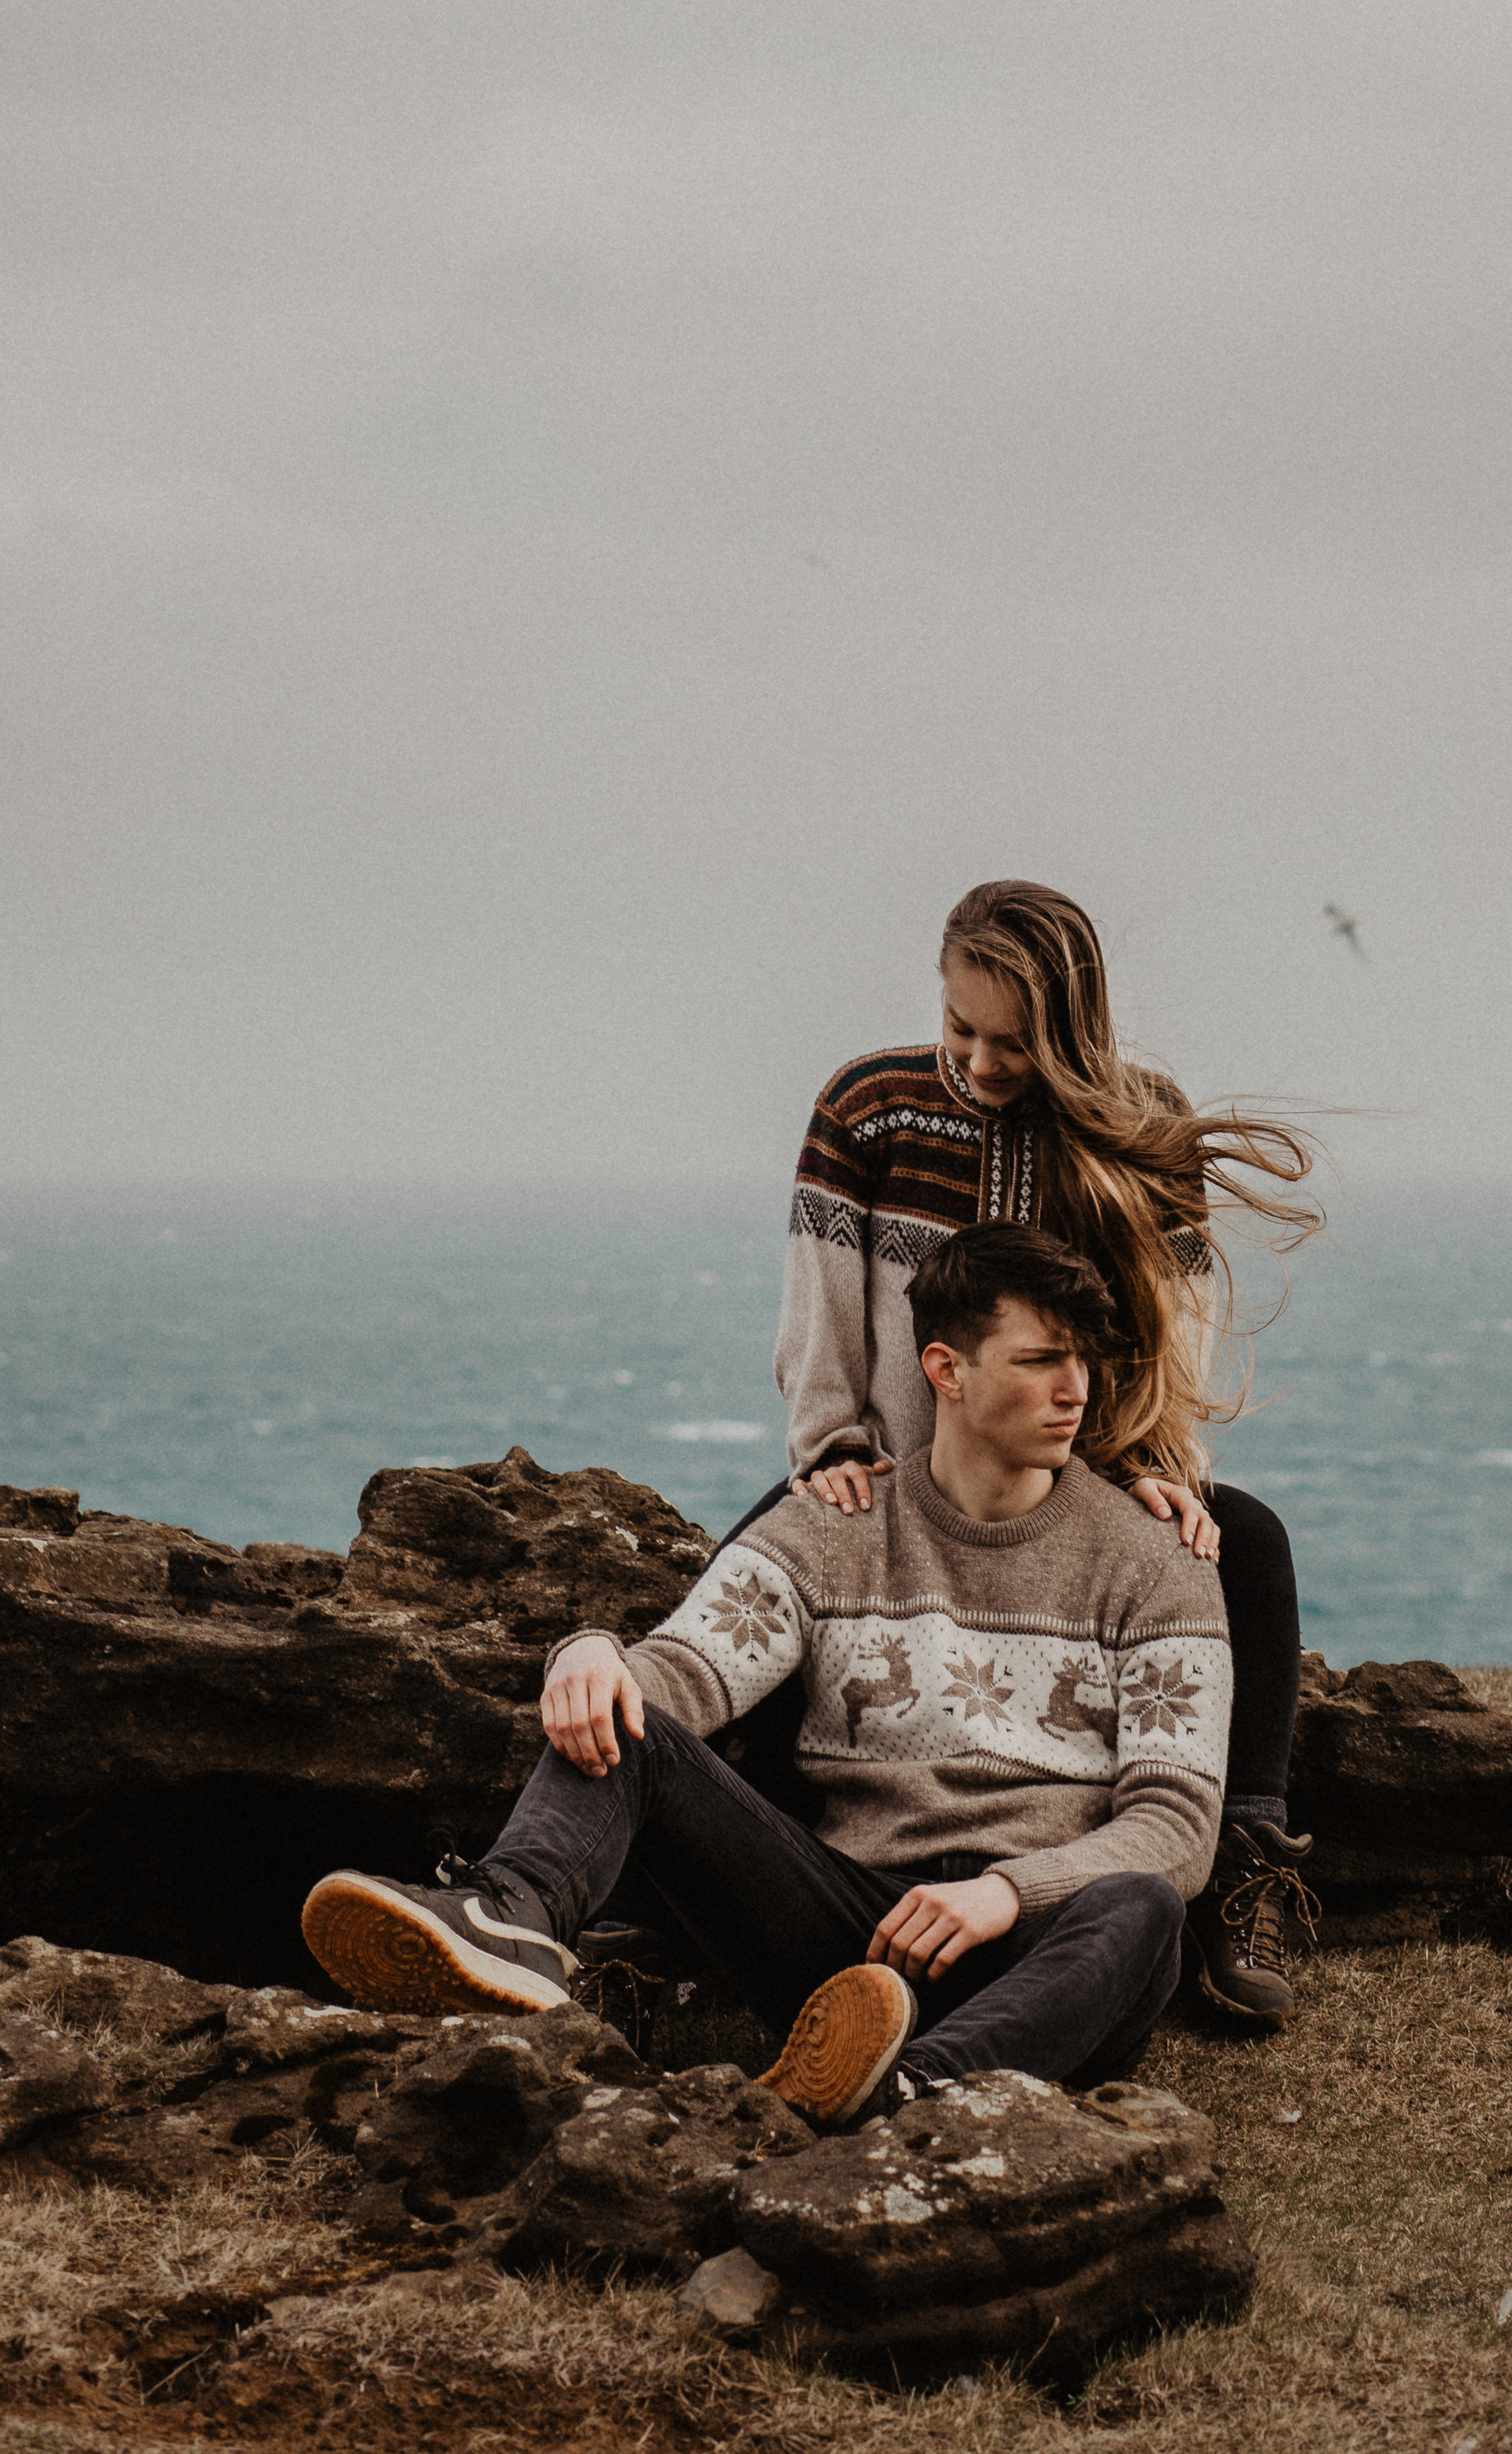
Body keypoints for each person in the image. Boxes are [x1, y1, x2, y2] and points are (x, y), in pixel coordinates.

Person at [301, 1225, 1230, 2130]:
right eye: (1040, 1361)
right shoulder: (836, 1524)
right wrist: (593, 1654)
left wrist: (1008, 1891)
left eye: (1083, 1363)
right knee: (624, 1714)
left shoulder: (1154, 1563)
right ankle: (510, 1922)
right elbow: (691, 1670)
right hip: (857, 1935)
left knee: (1141, 1903)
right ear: (945, 1370)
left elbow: (1178, 1825)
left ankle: (905, 2089)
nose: (1076, 1391)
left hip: (1048, 1946)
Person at [769, 878, 1318, 2027]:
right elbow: (822, 1307)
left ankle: (1239, 1870)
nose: (978, 1059)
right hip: (893, 1484)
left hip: (1077, 1482)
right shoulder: (871, 1108)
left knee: (1246, 1546)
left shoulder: (1140, 1117)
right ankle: (676, 1890)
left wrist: (1152, 1464)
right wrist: (832, 1448)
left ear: (1072, 1030)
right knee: (760, 1561)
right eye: (959, 1026)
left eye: (1011, 1041)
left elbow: (1175, 1317)